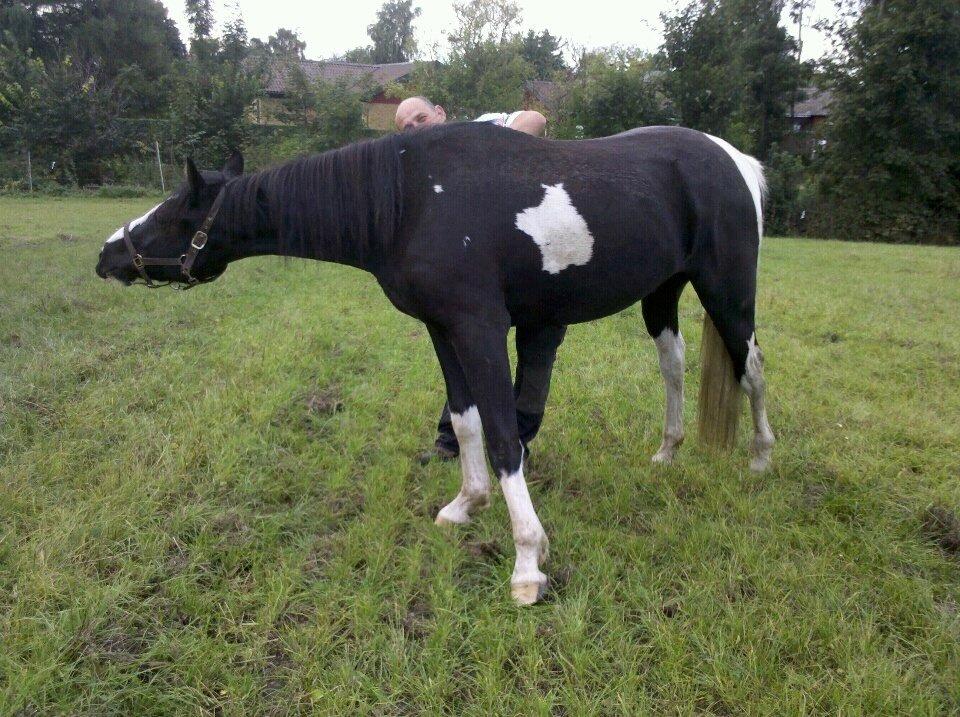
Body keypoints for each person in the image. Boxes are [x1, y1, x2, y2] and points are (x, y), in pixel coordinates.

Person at [394, 96, 565, 463]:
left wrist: (481, 155)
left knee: (538, 353)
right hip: (481, 280)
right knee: (469, 350)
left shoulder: (485, 123)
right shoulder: (420, 171)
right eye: (406, 127)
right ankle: (450, 441)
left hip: (542, 265)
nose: (416, 128)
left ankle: (517, 442)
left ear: (440, 113)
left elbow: (535, 120)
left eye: (421, 117)